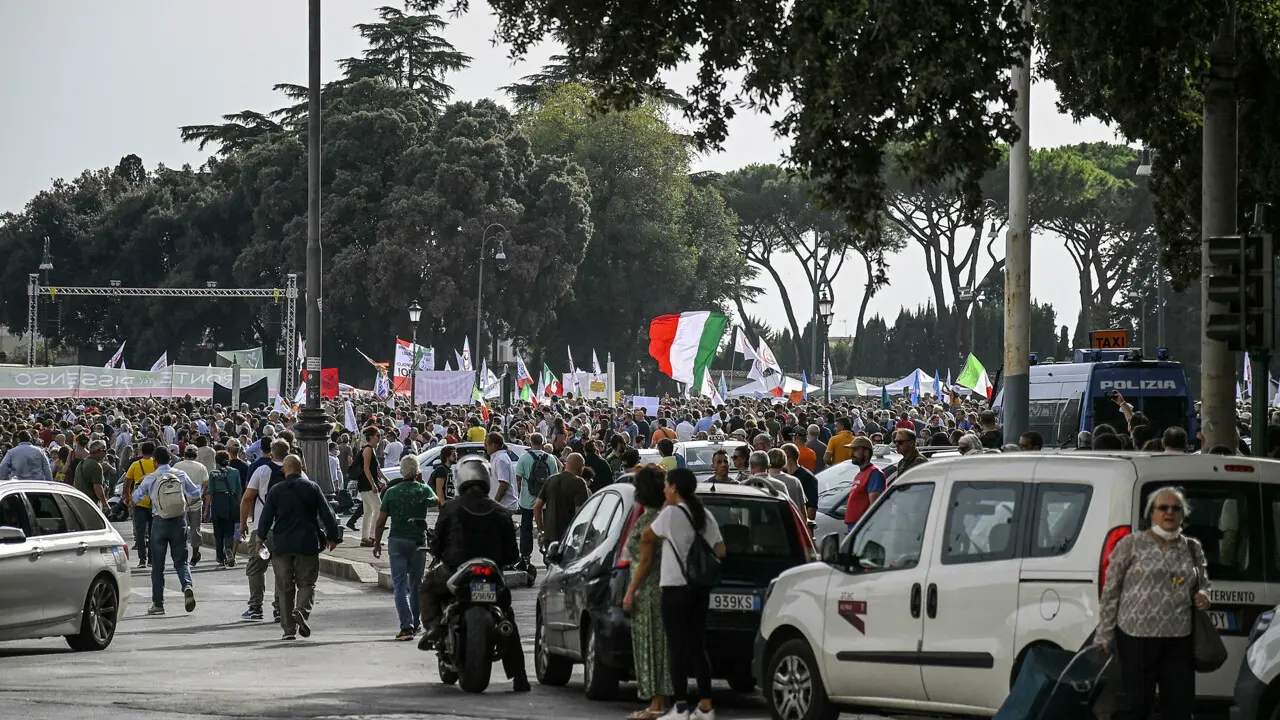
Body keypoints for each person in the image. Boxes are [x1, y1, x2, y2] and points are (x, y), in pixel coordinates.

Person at [416, 457, 529, 691]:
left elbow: (436, 545)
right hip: (491, 571)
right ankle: (520, 677)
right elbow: (512, 554)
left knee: (428, 585)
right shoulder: (501, 512)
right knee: (507, 617)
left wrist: (438, 550)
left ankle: (434, 626)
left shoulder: (450, 508)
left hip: (456, 569)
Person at [1097, 486, 1210, 720]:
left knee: (1179, 707)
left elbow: (1203, 583)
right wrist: (1105, 633)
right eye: (1163, 508)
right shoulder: (1131, 544)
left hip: (1179, 638)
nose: (1170, 513)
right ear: (1152, 513)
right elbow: (1111, 590)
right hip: (1136, 637)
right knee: (1136, 707)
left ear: (1183, 514)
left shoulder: (1191, 547)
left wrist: (1204, 595)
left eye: (1176, 508)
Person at [643, 468, 726, 720]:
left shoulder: (670, 514)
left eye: (667, 485)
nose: (664, 490)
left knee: (676, 649)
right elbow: (720, 551)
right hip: (699, 589)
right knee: (697, 648)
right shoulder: (705, 515)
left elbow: (647, 536)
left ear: (675, 488)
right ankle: (705, 705)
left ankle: (680, 707)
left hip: (674, 587)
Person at [256, 454, 341, 641]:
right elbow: (327, 513)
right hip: (307, 542)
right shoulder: (312, 487)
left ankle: (288, 630)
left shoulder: (276, 490)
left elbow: (266, 517)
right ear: (301, 468)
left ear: (286, 470)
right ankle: (301, 610)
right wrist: (333, 537)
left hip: (282, 544)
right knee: (307, 583)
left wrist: (260, 538)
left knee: (284, 587)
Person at [621, 465, 674, 719]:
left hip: (649, 590)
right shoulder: (662, 516)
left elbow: (645, 559)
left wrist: (630, 590)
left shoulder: (650, 519)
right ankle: (657, 702)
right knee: (657, 646)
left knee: (651, 647)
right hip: (658, 589)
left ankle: (656, 704)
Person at [130, 446, 202, 616]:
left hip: (159, 521)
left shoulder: (151, 478)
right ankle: (187, 586)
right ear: (170, 459)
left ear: (155, 461)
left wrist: (139, 488)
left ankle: (158, 603)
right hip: (178, 521)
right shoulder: (180, 475)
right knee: (181, 561)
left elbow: (135, 499)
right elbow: (195, 492)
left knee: (157, 565)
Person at [373, 454, 436, 640]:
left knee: (400, 583)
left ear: (401, 471)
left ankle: (406, 625)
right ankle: (416, 624)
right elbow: (436, 502)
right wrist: (422, 484)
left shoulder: (392, 492)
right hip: (418, 541)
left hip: (397, 540)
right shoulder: (423, 490)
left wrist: (377, 543)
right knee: (416, 584)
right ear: (417, 472)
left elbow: (380, 521)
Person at [239, 438, 288, 622]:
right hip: (286, 530)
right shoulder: (296, 470)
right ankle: (280, 608)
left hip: (262, 529)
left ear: (271, 453)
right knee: (282, 570)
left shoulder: (262, 470)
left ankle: (255, 607)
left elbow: (247, 498)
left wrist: (244, 522)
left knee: (256, 568)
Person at [515, 433, 558, 563]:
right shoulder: (550, 458)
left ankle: (525, 555)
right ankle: (547, 552)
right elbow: (554, 480)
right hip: (545, 500)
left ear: (530, 442)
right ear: (543, 442)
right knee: (546, 528)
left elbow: (518, 479)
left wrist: (521, 492)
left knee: (526, 527)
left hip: (527, 500)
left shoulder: (524, 458)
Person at [534, 452, 590, 547]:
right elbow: (580, 512)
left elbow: (537, 507)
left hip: (549, 535)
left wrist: (541, 530)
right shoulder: (579, 483)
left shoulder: (551, 480)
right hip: (568, 536)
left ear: (566, 464)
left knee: (549, 560)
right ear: (581, 467)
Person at [173, 445, 210, 567]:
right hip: (195, 503)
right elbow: (206, 485)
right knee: (195, 530)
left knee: (180, 530)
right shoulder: (201, 467)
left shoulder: (177, 466)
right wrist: (200, 496)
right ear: (196, 455)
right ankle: (195, 555)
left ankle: (182, 556)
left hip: (180, 503)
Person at [204, 450, 242, 568]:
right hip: (230, 502)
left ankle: (220, 558)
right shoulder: (235, 472)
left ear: (216, 461)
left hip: (218, 504)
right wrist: (240, 506)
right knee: (229, 531)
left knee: (218, 533)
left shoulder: (213, 474)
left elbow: (210, 492)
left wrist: (206, 510)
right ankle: (229, 549)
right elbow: (239, 490)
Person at [125, 441, 158, 569]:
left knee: (140, 532)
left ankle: (142, 559)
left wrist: (127, 496)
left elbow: (127, 481)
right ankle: (151, 559)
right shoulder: (156, 465)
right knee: (152, 532)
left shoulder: (135, 464)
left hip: (138, 502)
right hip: (154, 502)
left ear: (141, 451)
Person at [844, 436, 885, 531]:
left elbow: (874, 506)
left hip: (862, 529)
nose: (851, 454)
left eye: (855, 450)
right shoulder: (861, 474)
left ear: (866, 452)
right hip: (854, 528)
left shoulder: (874, 473)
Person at [354, 426, 386, 546]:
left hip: (365, 483)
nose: (380, 438)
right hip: (367, 484)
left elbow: (375, 469)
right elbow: (367, 469)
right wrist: (373, 484)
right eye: (378, 435)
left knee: (368, 511)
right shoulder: (368, 450)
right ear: (372, 437)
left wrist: (383, 479)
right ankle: (372, 537)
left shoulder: (369, 449)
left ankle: (365, 537)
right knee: (378, 508)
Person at [782, 443, 819, 521]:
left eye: (781, 458)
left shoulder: (808, 478)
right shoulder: (783, 475)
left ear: (787, 457)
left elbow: (811, 509)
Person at [485, 431, 519, 511]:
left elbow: (504, 485)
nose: (485, 448)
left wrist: (494, 504)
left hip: (504, 506)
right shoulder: (498, 458)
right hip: (502, 506)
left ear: (493, 445)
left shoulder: (500, 460)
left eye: (486, 445)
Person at [72, 440, 109, 512]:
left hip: (79, 502)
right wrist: (105, 504)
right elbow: (97, 487)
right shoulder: (96, 466)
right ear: (98, 451)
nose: (106, 453)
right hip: (91, 504)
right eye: (104, 450)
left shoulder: (82, 463)